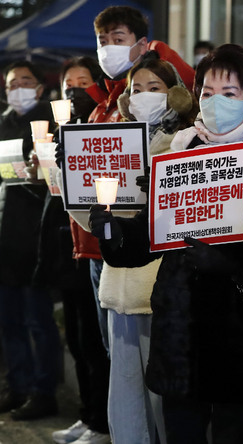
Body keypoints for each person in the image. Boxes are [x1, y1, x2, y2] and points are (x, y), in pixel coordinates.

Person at [89, 43, 243, 444]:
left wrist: (236, 260)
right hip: (181, 328)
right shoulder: (180, 152)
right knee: (180, 431)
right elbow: (147, 240)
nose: (214, 102)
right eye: (206, 92)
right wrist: (114, 231)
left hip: (240, 333)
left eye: (229, 93)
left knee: (231, 433)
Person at [91, 57, 196, 444]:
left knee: (163, 400)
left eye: (155, 88)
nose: (144, 96)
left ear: (177, 95)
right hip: (119, 282)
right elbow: (94, 219)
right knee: (125, 396)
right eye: (137, 89)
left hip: (158, 285)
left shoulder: (186, 141)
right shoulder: (113, 140)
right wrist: (76, 182)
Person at [36, 57, 113, 444]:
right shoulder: (68, 129)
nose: (75, 88)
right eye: (69, 83)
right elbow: (58, 191)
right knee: (81, 341)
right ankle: (88, 414)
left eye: (83, 81)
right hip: (71, 247)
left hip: (98, 248)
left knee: (98, 345)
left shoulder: (102, 123)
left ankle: (102, 422)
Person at [0, 61, 61, 420]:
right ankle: (17, 385)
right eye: (12, 82)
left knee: (38, 320)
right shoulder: (3, 121)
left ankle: (43, 391)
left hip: (36, 238)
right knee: (9, 320)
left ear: (39, 88)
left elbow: (54, 183)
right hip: (4, 237)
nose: (18, 87)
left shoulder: (52, 125)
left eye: (26, 81)